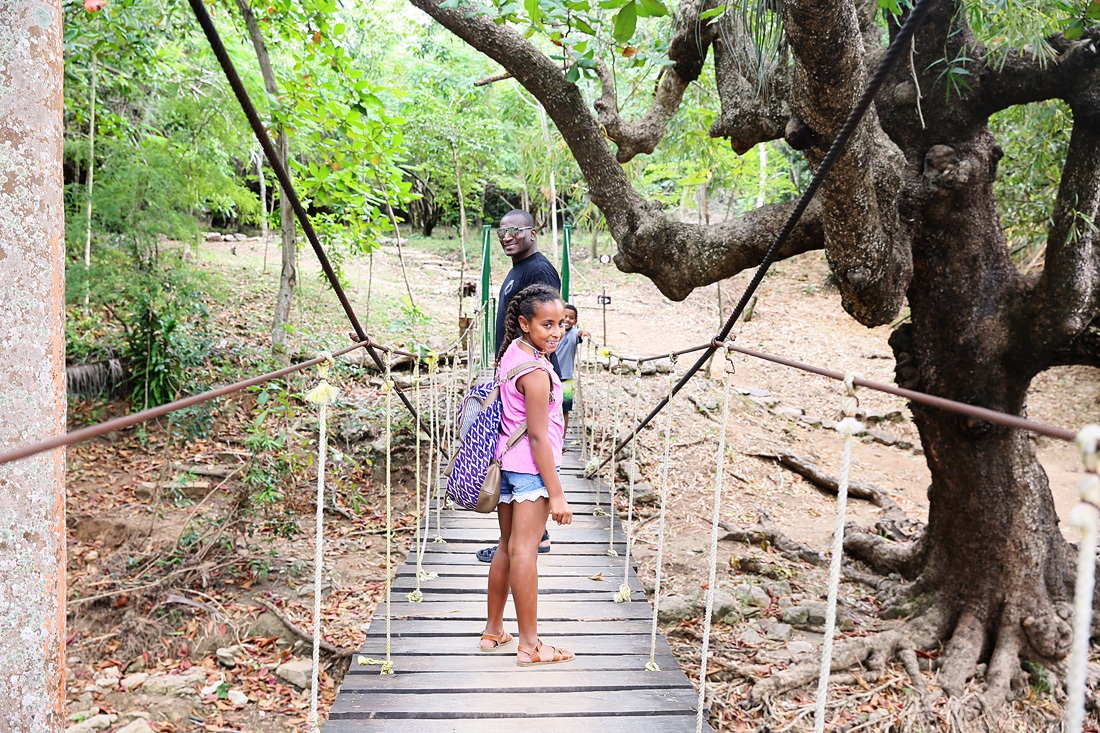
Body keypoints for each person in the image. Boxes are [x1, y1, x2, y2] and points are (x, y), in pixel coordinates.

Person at [478, 283, 575, 666]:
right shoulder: (536, 373)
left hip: (504, 466)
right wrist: (557, 494)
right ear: (524, 323)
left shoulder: (512, 354)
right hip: (532, 472)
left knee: (506, 545)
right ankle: (530, 645)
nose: (556, 333)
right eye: (547, 325)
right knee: (524, 552)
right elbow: (537, 437)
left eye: (562, 325)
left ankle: (493, 631)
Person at [477, 210, 559, 562]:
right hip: (515, 370)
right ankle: (518, 539)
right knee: (519, 441)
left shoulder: (538, 270)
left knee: (530, 439)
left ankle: (532, 536)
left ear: (533, 233)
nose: (506, 236)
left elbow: (547, 319)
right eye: (501, 231)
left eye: (514, 230)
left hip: (528, 375)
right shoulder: (517, 269)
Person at [549, 303, 590, 435]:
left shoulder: (574, 333)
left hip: (566, 378)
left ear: (575, 321)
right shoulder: (552, 331)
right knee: (549, 407)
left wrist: (583, 332)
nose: (567, 320)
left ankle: (562, 437)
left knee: (565, 409)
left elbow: (579, 334)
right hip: (549, 375)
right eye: (564, 317)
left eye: (571, 318)